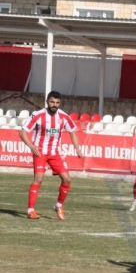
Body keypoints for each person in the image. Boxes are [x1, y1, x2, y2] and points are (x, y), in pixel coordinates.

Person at [19, 91, 83, 221]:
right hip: (40, 152)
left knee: (67, 179)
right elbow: (23, 132)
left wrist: (77, 149)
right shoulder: (38, 115)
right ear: (47, 102)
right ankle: (30, 210)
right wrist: (31, 146)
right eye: (52, 102)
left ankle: (58, 206)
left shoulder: (64, 117)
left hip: (55, 153)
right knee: (39, 178)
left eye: (57, 103)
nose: (55, 105)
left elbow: (72, 132)